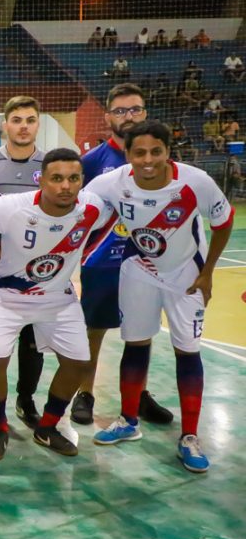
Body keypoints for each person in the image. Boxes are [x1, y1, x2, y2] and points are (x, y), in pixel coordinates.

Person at [86, 120, 234, 473]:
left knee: (187, 349)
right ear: (128, 154)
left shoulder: (196, 182)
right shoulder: (111, 183)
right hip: (139, 269)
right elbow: (81, 207)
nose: (148, 160)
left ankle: (190, 436)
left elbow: (223, 222)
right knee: (135, 344)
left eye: (156, 152)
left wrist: (208, 270)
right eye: (139, 153)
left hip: (186, 275)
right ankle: (128, 420)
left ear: (169, 152)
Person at [0, 149, 111, 460]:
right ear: (42, 181)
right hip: (6, 293)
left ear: (82, 181)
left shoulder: (92, 208)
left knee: (79, 361)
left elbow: (106, 224)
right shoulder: (8, 208)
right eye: (56, 179)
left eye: (73, 178)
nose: (65, 186)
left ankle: (48, 426)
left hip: (56, 294)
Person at [74, 83, 172, 424]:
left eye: (134, 110)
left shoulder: (158, 160)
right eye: (120, 111)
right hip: (101, 263)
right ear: (107, 118)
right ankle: (84, 392)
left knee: (141, 332)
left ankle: (138, 395)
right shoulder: (91, 162)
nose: (128, 116)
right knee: (93, 330)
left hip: (146, 263)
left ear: (145, 113)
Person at [0, 96, 47, 428]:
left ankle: (26, 399)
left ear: (37, 124)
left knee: (33, 341)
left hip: (39, 270)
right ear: (5, 125)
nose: (23, 126)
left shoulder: (49, 166)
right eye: (16, 120)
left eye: (30, 120)